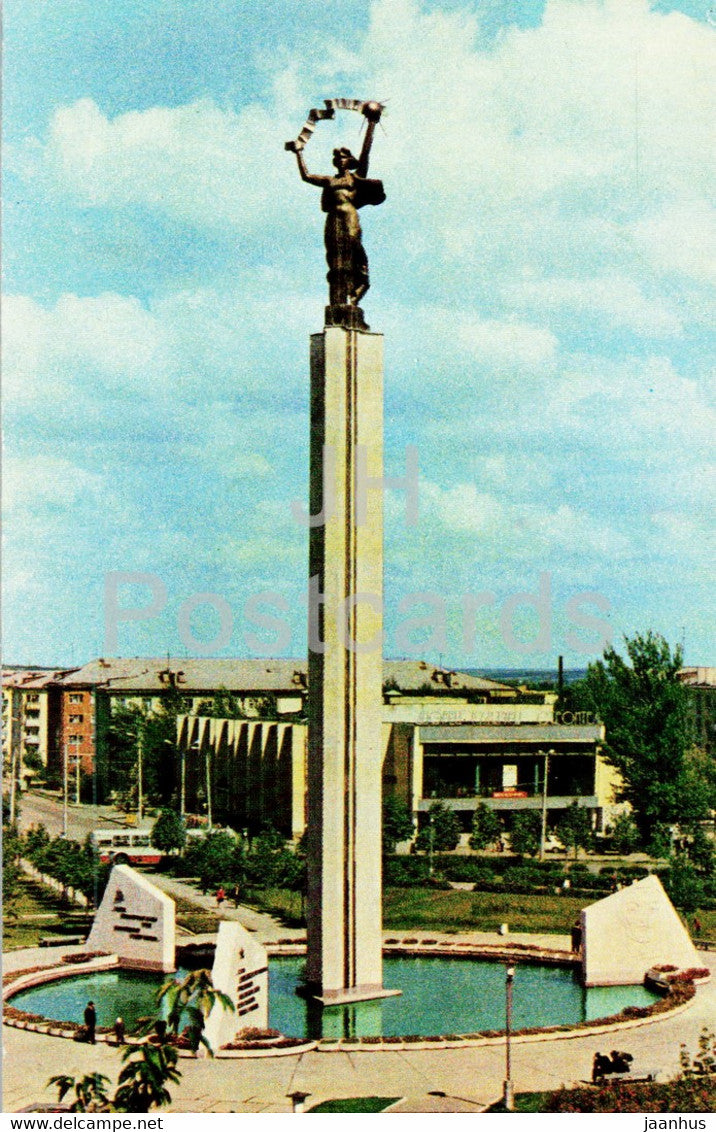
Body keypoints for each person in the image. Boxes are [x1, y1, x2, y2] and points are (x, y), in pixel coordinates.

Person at [287, 102, 385, 312]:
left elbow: (366, 152)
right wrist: (298, 153)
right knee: (334, 257)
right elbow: (306, 176)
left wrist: (371, 125)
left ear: (349, 161)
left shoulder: (357, 178)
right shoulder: (329, 181)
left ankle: (361, 282)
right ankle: (339, 300)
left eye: (343, 158)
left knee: (353, 248)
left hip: (349, 216)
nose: (340, 161)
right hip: (332, 219)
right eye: (337, 158)